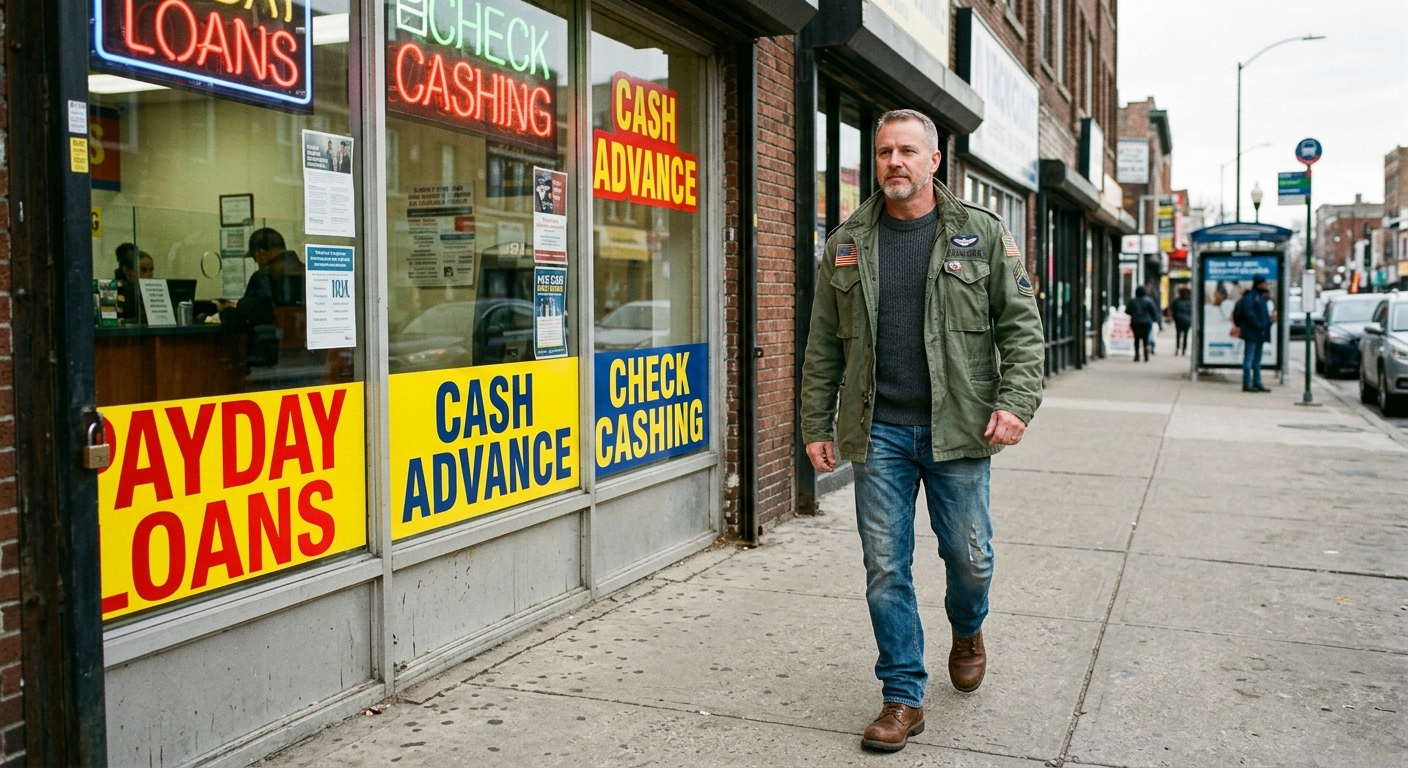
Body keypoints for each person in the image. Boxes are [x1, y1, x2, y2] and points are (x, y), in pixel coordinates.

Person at [800, 109, 1044, 753]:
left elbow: (1022, 329)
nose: (895, 162)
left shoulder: (981, 234)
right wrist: (816, 422)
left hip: (958, 428)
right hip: (878, 431)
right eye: (885, 152)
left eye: (908, 151)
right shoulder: (847, 242)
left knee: (970, 558)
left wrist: (1016, 403)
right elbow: (823, 343)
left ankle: (967, 629)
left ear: (935, 160)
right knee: (886, 566)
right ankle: (903, 695)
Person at [216, 228, 306, 366]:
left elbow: (244, 323)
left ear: (260, 253)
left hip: (270, 361)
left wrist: (225, 311)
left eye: (255, 259)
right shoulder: (307, 272)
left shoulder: (263, 276)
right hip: (306, 358)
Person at [1234, 276, 1275, 392]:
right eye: (1264, 283)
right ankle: (1247, 382)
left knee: (1256, 359)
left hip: (1259, 333)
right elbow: (1248, 314)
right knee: (1249, 358)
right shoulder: (1251, 297)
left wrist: (1268, 323)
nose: (1266, 285)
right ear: (1259, 284)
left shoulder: (1260, 296)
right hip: (1252, 333)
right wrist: (1260, 325)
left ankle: (1257, 381)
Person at [113, 243, 155, 321]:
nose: (149, 274)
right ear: (127, 271)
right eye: (143, 270)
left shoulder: (155, 293)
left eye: (151, 270)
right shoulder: (120, 296)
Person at [1124, 286, 1160, 362]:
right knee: (1145, 338)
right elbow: (1153, 311)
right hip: (1146, 322)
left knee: (1136, 339)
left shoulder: (1132, 301)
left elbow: (1127, 311)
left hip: (1135, 322)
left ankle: (1137, 355)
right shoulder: (1149, 301)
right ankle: (1146, 355)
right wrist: (1155, 320)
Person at [1171, 286, 1193, 355]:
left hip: (1179, 320)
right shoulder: (1190, 302)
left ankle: (1177, 348)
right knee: (1186, 335)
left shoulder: (1177, 301)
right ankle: (1184, 349)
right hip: (1187, 320)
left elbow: (1173, 309)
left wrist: (1174, 317)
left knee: (1178, 334)